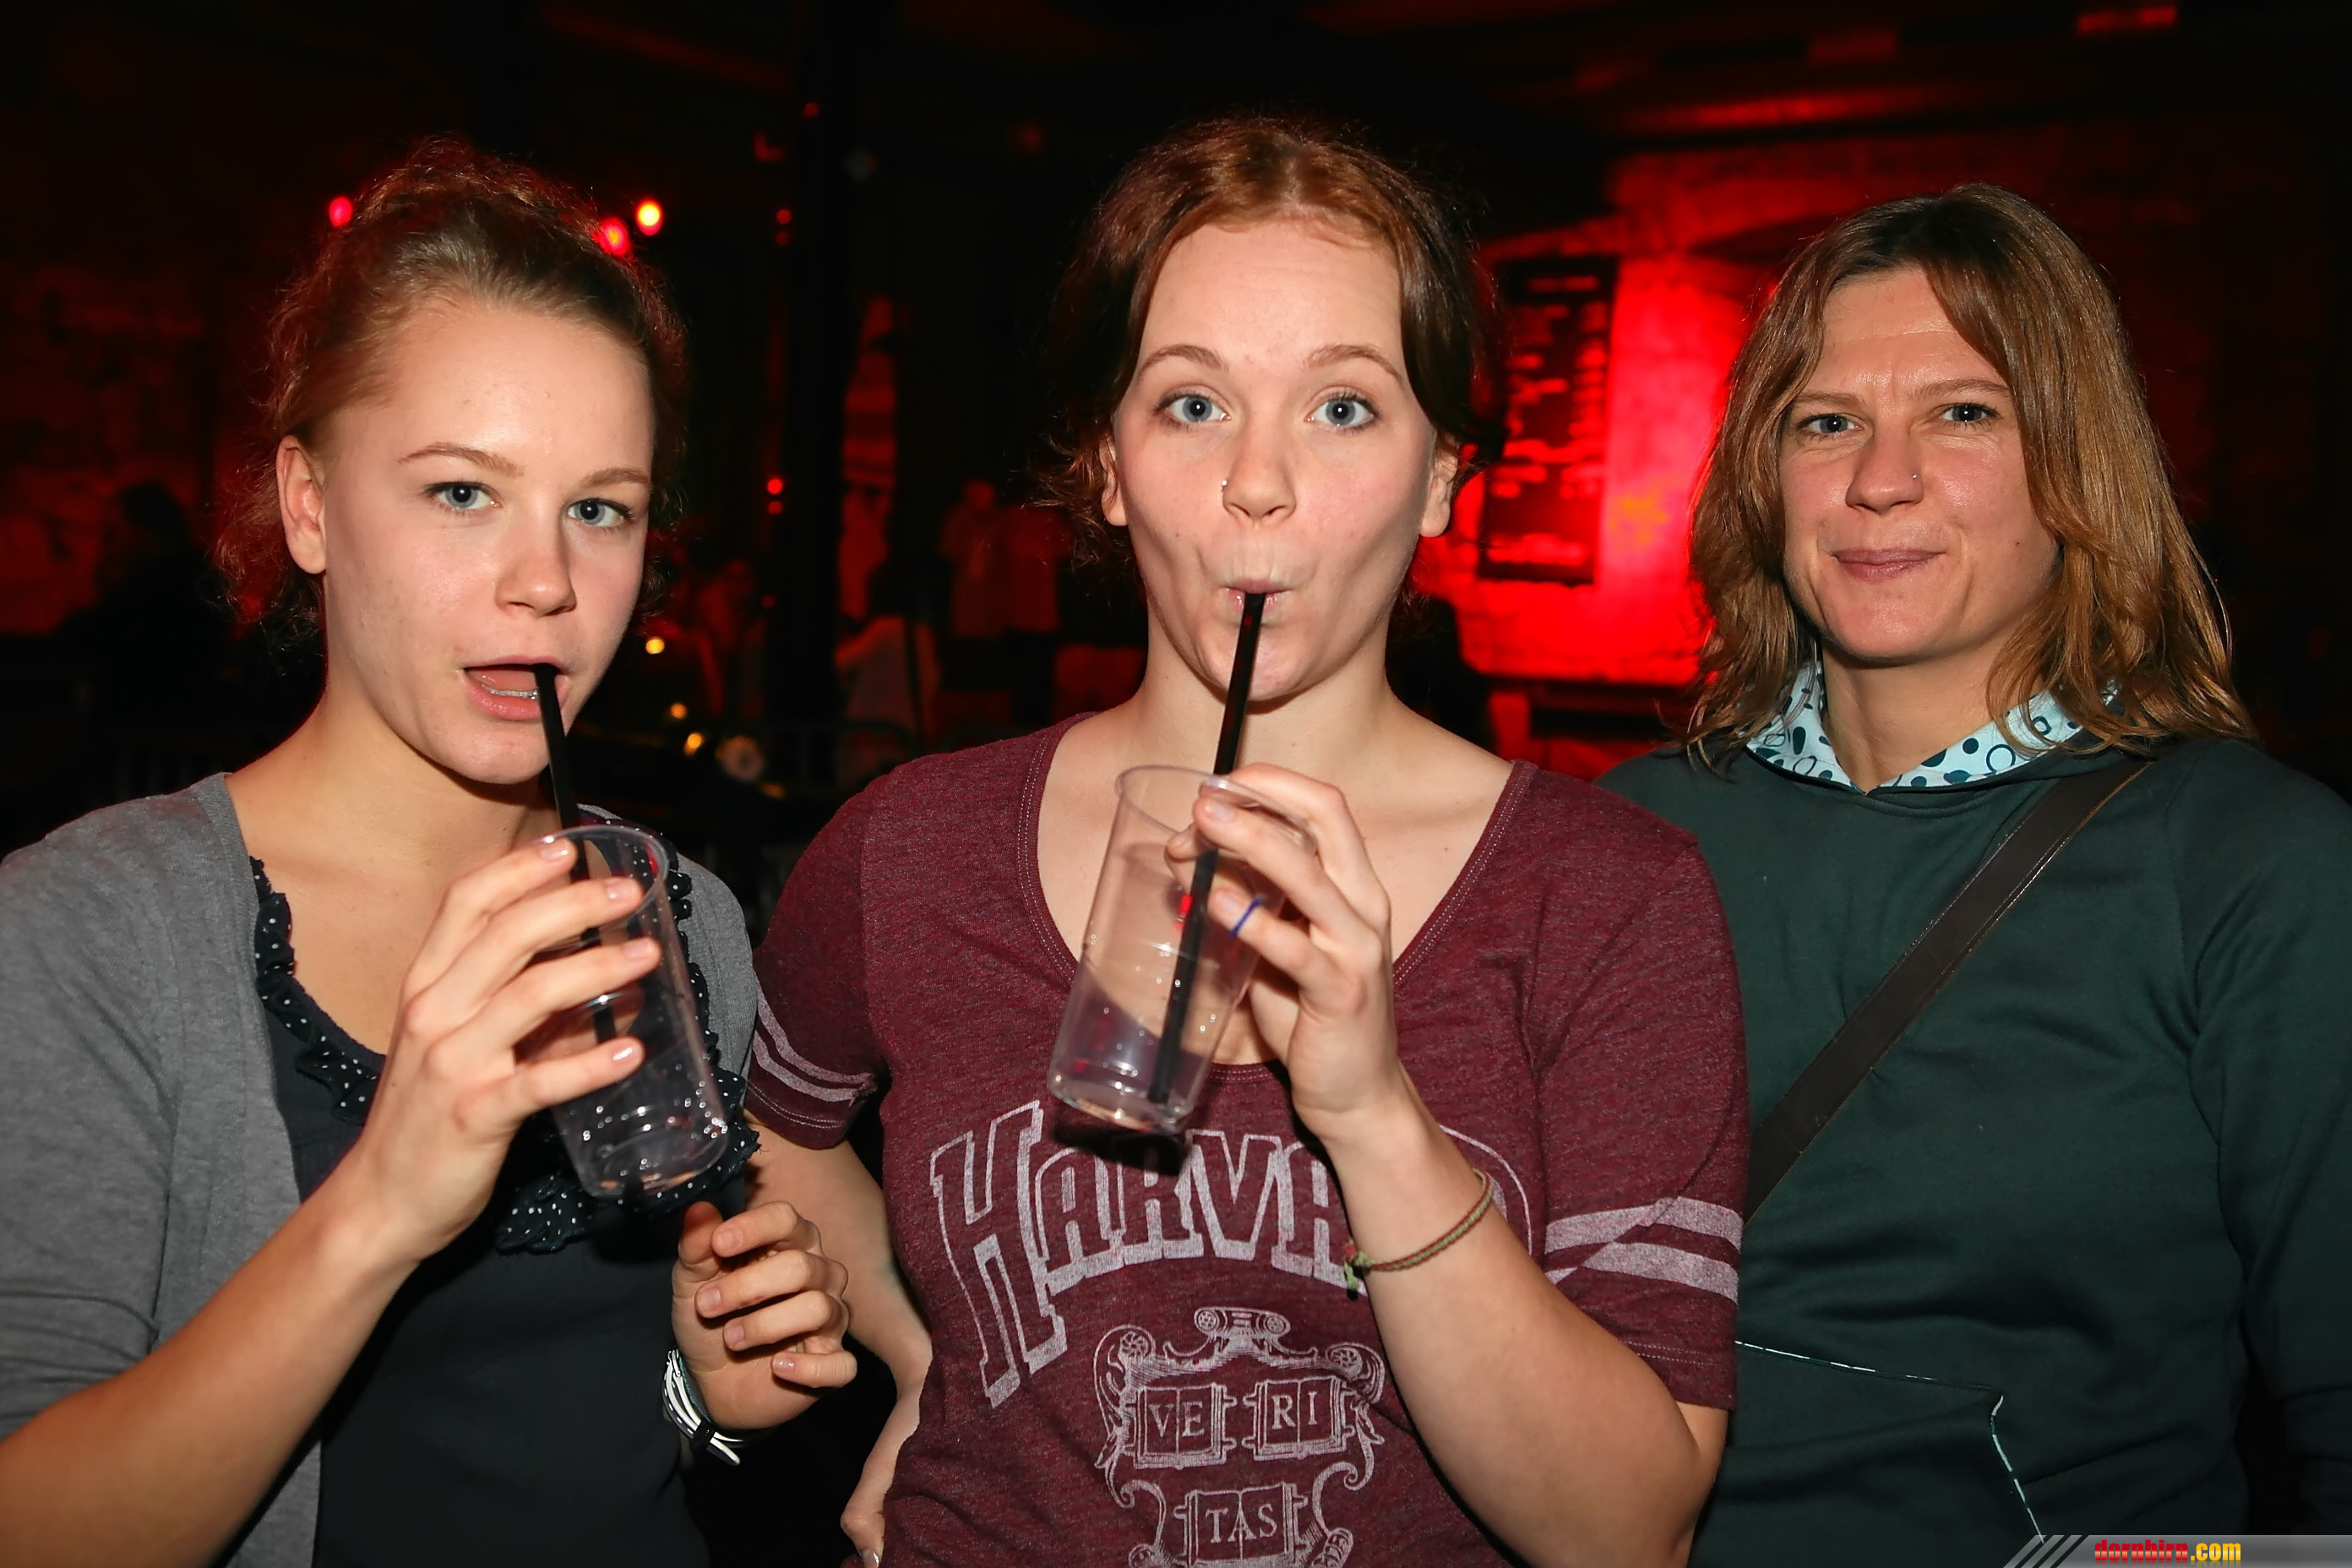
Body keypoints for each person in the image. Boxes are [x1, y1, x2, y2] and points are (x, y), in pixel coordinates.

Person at [738, 114, 1749, 1566]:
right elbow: (778, 1134)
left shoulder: (1611, 901)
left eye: (1342, 407)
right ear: (1105, 462)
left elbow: (1629, 1531)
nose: (1258, 480)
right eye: (1193, 402)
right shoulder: (909, 848)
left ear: (1443, 474)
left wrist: (1377, 1116)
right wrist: (924, 1357)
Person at [0, 141, 854, 1568]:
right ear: (310, 503)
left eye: (600, 508)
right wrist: (381, 1206)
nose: (547, 581)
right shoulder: (93, 931)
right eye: (464, 492)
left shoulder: (680, 919)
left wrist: (708, 1401)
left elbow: (610, 1433)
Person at [1603, 185, 2352, 1557]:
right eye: (1826, 422)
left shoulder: (2250, 867)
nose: (1880, 480)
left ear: (2077, 467)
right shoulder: (1627, 838)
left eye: (1963, 413)